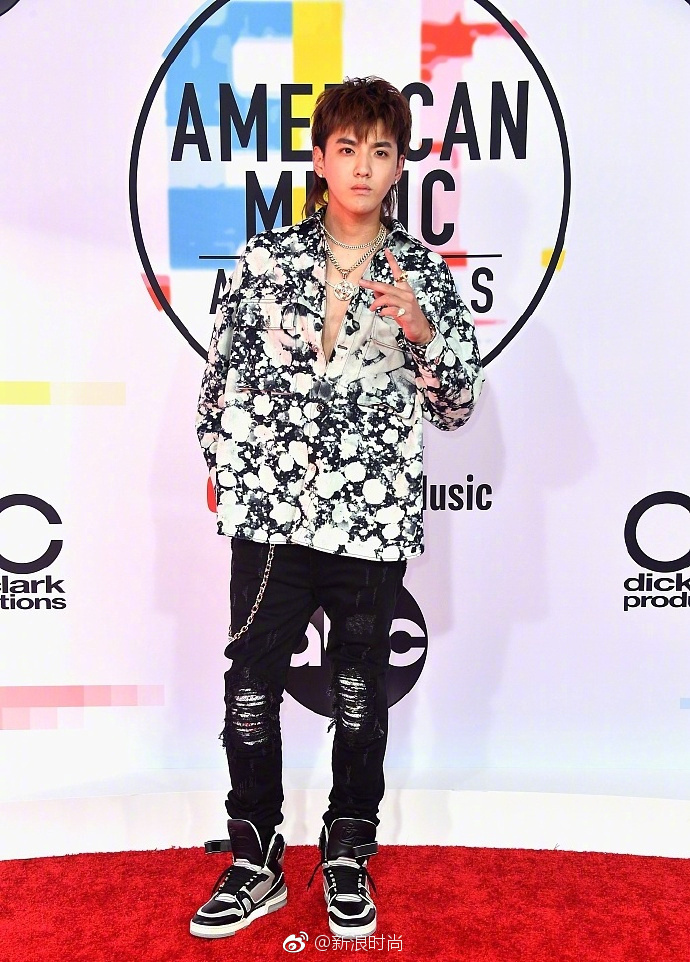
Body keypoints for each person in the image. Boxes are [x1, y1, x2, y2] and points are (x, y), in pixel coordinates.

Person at [191, 76, 483, 940]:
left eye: (380, 151)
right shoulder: (265, 260)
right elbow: (219, 381)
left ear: (399, 167)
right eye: (347, 148)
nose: (362, 166)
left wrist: (424, 336)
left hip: (369, 516)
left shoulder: (422, 274)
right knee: (251, 686)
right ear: (320, 160)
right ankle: (255, 861)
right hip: (272, 513)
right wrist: (227, 468)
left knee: (359, 691)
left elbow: (457, 408)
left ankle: (348, 852)